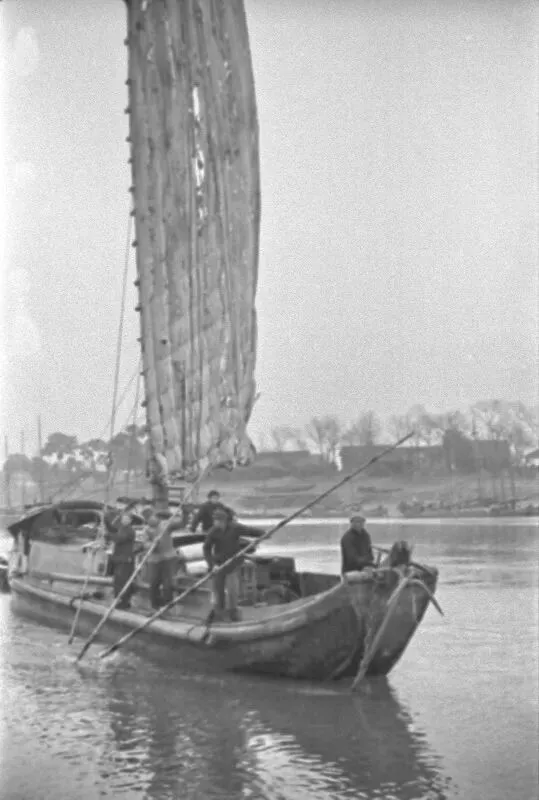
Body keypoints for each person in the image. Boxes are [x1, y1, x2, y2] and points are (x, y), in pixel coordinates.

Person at [203, 508, 260, 621]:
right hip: (219, 565)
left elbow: (250, 531)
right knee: (219, 591)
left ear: (223, 521)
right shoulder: (212, 532)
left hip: (233, 564)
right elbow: (206, 549)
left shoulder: (235, 528)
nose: (215, 522)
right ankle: (220, 613)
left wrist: (263, 534)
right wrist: (212, 565)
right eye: (214, 520)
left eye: (217, 520)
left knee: (232, 589)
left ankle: (233, 613)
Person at [145, 514, 177, 609]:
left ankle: (168, 605)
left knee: (167, 583)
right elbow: (145, 544)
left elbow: (176, 525)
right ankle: (155, 605)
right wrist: (153, 544)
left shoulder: (165, 527)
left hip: (167, 558)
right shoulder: (146, 530)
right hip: (154, 560)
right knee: (153, 583)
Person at [108, 511, 136, 609]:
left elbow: (119, 539)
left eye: (126, 519)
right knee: (117, 580)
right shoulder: (121, 528)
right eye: (123, 518)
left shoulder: (130, 530)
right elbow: (113, 530)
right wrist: (106, 523)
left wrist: (109, 535)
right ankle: (120, 600)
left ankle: (124, 602)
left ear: (130, 520)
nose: (124, 520)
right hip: (118, 558)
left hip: (125, 559)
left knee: (123, 580)